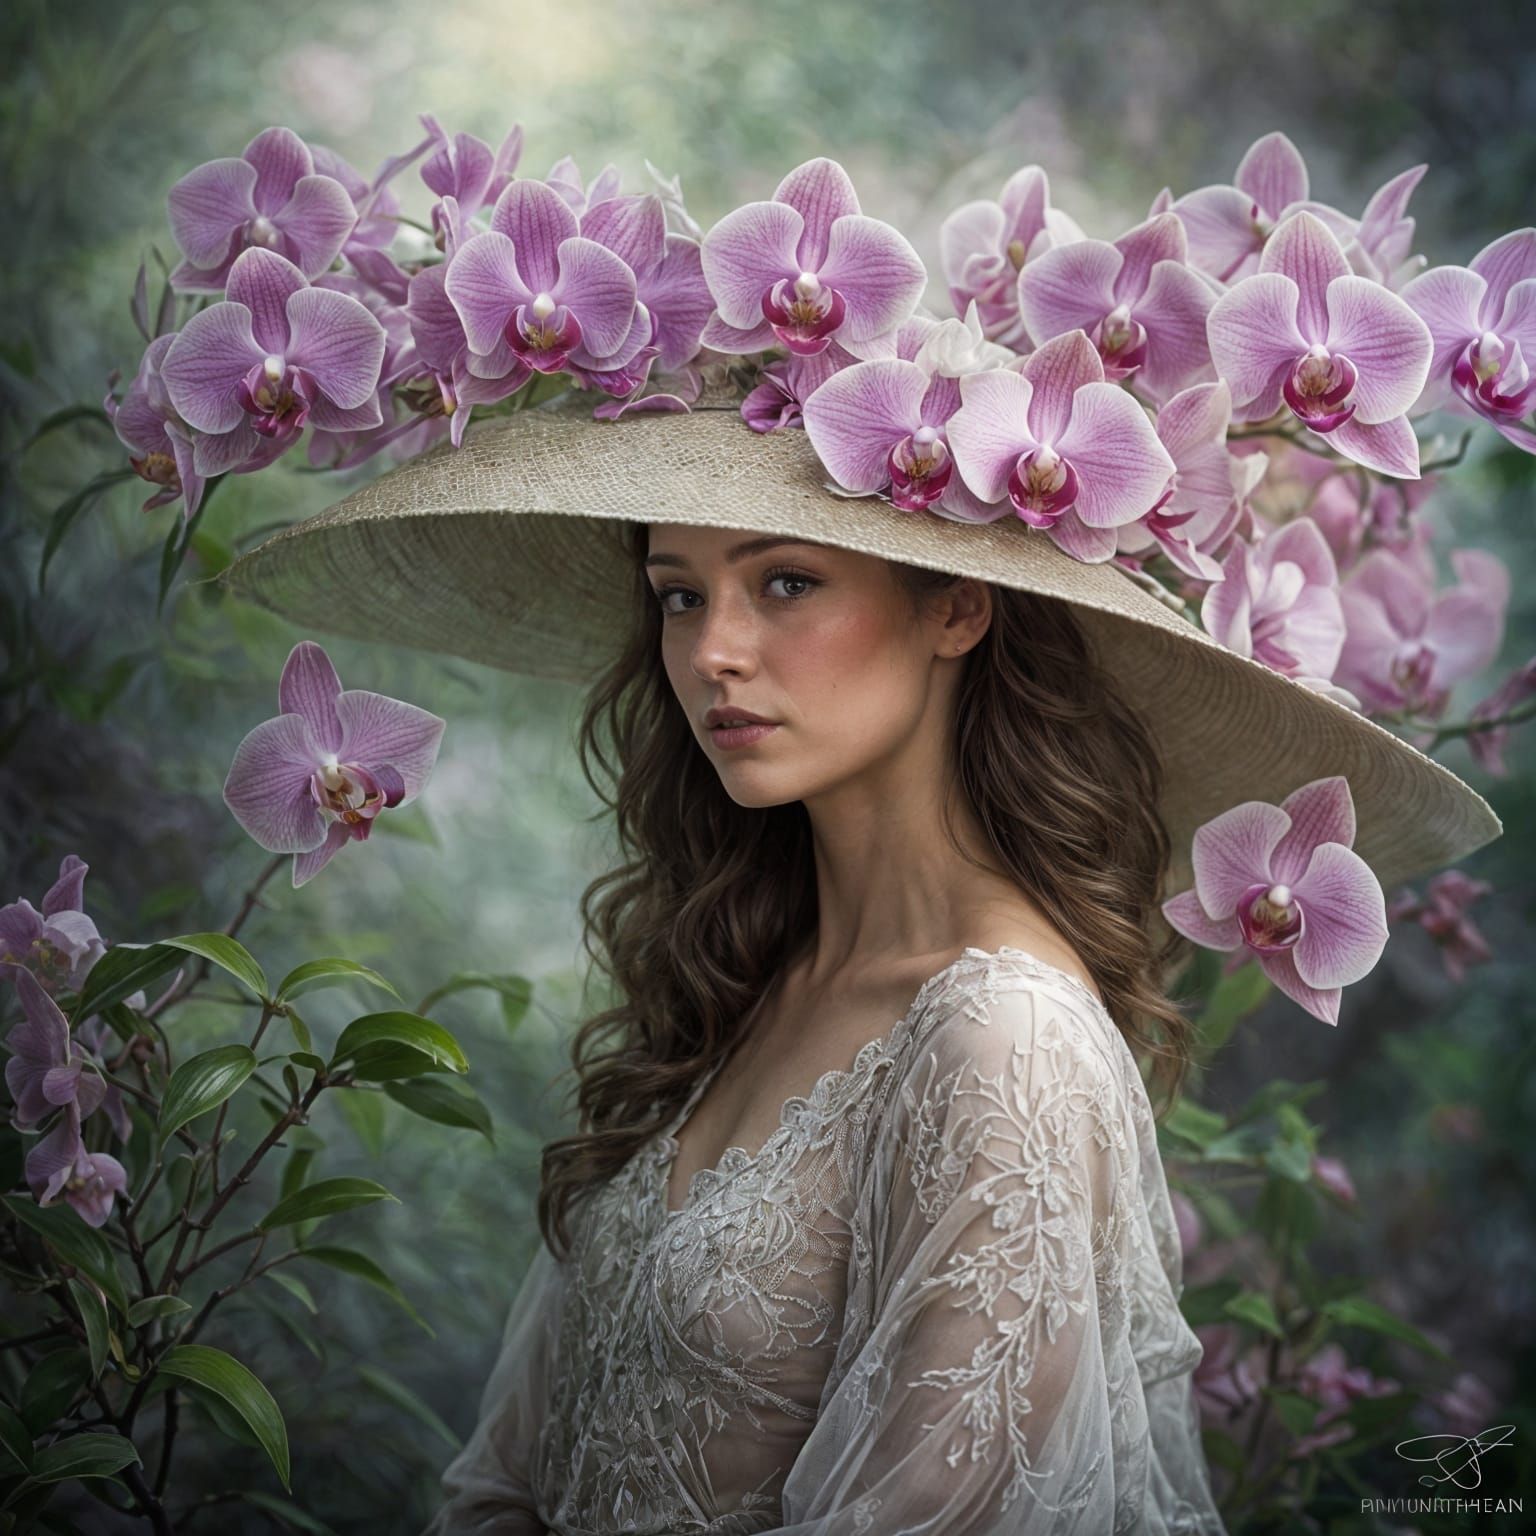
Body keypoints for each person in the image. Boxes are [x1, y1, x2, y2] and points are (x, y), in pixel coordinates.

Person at [220, 395, 1498, 1534]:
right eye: (680, 592)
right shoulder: (740, 981)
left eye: (783, 583)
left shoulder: (1006, 1039)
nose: (712, 650)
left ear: (955, 604)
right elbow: (509, 1477)